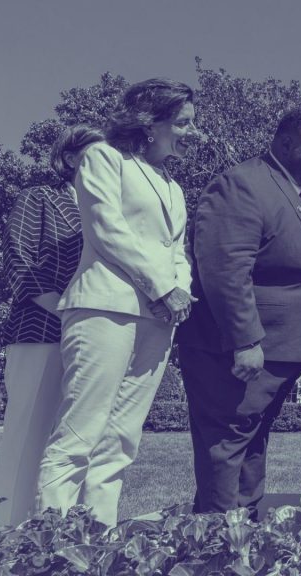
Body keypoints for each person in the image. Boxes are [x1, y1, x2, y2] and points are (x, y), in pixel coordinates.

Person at [37, 78, 198, 526]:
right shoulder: (103, 158)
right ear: (152, 123)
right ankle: (49, 546)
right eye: (183, 123)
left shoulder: (174, 186)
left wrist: (179, 291)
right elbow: (107, 230)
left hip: (160, 318)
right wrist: (161, 287)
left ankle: (99, 541)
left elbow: (176, 250)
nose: (192, 132)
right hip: (104, 308)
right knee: (79, 433)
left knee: (121, 439)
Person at [177, 108, 301, 516]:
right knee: (226, 446)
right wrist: (245, 339)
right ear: (285, 143)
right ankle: (215, 542)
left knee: (251, 443)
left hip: (284, 348)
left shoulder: (297, 192)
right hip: (242, 350)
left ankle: (241, 531)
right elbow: (224, 266)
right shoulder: (242, 185)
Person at [0, 125, 104, 527]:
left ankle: (59, 532)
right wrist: (67, 310)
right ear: (71, 158)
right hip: (41, 331)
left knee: (76, 442)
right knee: (27, 437)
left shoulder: (107, 211)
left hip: (94, 339)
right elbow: (18, 262)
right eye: (97, 152)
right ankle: (5, 536)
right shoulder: (39, 198)